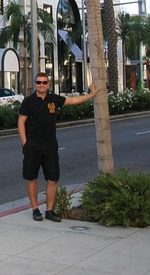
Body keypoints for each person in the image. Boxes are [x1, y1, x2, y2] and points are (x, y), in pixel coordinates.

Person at [18, 72, 97, 223]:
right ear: (35, 84)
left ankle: (49, 211)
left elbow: (72, 101)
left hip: (50, 145)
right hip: (33, 145)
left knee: (53, 178)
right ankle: (35, 210)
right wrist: (25, 143)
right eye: (39, 82)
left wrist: (91, 95)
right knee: (32, 177)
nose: (41, 85)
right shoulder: (28, 101)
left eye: (44, 82)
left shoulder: (54, 99)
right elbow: (21, 121)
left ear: (48, 84)